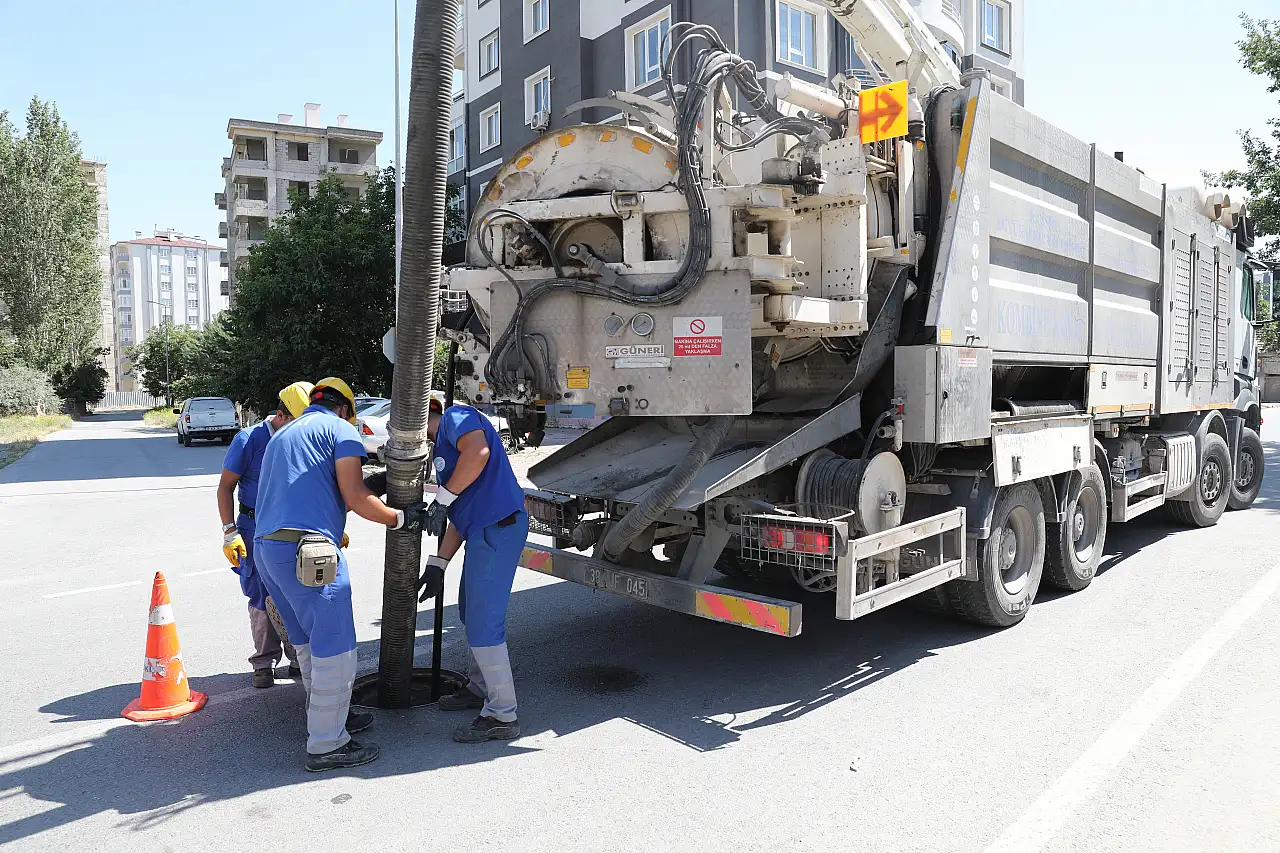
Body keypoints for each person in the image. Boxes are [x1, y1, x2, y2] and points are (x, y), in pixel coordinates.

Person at [252, 377, 433, 772]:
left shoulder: (285, 434)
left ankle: (329, 719)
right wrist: (401, 519)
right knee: (336, 647)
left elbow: (322, 492)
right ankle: (327, 744)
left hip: (268, 551)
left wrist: (375, 485)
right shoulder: (341, 430)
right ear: (347, 409)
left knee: (306, 643)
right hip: (308, 552)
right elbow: (354, 497)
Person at [422, 396, 529, 744]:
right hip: (484, 529)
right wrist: (439, 563)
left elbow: (478, 453)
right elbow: (459, 512)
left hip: (498, 526)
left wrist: (441, 498)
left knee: (484, 623)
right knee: (470, 613)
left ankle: (502, 714)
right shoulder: (443, 445)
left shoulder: (455, 417)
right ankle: (480, 687)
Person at [218, 381, 313, 688]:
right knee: (260, 595)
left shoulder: (302, 440)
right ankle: (264, 661)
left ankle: (299, 657)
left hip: (293, 528)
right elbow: (225, 488)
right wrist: (229, 531)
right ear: (282, 415)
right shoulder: (250, 440)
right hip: (253, 527)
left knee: (294, 593)